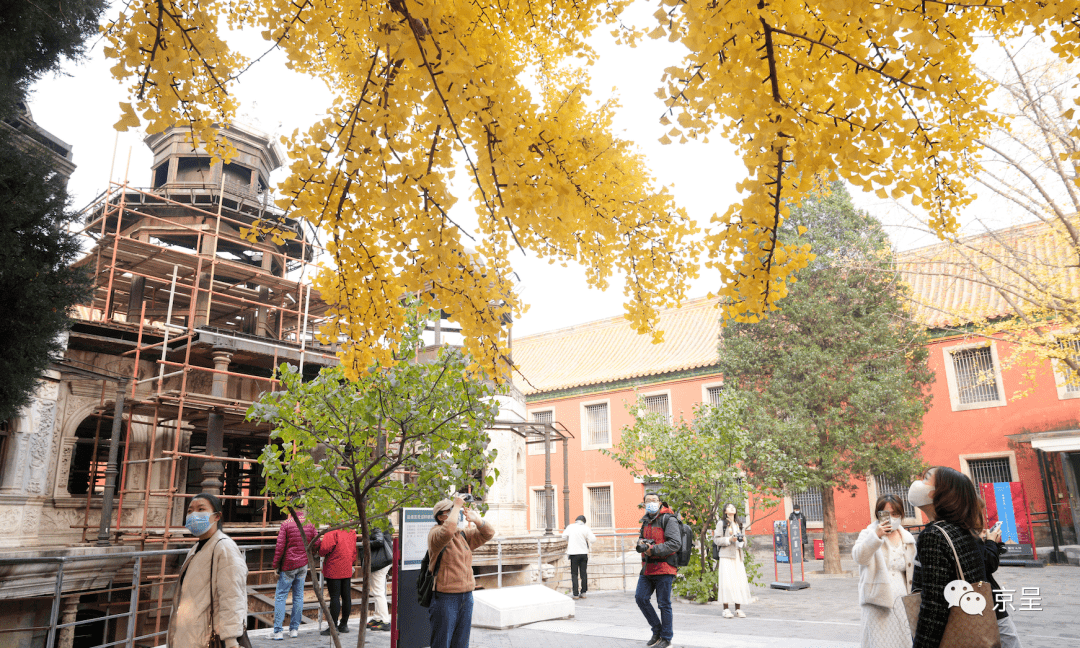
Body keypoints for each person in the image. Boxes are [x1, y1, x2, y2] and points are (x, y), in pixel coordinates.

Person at [910, 466, 987, 648]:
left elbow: (934, 605)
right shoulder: (963, 529)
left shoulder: (934, 535)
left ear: (939, 494)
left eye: (926, 479)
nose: (917, 483)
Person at [167, 493, 248, 648]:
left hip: (206, 639)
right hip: (189, 635)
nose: (193, 515)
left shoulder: (224, 547)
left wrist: (231, 641)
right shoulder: (196, 548)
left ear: (217, 516)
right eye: (190, 511)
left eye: (201, 509)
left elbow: (232, 597)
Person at [427, 496, 495, 648]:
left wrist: (477, 520)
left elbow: (489, 533)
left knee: (461, 643)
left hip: (466, 597)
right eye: (450, 511)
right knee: (441, 643)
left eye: (454, 510)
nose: (455, 513)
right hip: (445, 597)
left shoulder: (463, 534)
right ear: (440, 516)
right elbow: (447, 531)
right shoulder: (435, 534)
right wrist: (457, 505)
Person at [852, 494, 915, 648]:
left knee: (901, 641)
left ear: (901, 515)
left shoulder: (907, 538)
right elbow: (859, 557)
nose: (891, 518)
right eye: (886, 514)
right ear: (878, 514)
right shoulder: (868, 533)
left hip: (901, 599)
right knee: (879, 642)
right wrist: (876, 536)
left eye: (895, 514)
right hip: (876, 600)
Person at [634, 492, 682, 648]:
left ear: (660, 502)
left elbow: (675, 543)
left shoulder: (669, 519)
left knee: (663, 604)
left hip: (665, 567)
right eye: (648, 501)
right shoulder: (646, 521)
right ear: (644, 504)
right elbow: (642, 538)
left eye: (654, 500)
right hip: (648, 568)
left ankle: (666, 638)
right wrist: (642, 544)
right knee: (640, 598)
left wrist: (652, 549)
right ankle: (657, 630)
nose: (651, 503)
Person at [977, 500, 1024, 648]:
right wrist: (990, 542)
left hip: (983, 600)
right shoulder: (965, 533)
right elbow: (988, 564)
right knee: (1010, 640)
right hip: (986, 599)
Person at [272, 506, 317, 640]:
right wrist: (309, 554)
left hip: (288, 565)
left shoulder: (286, 524)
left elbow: (280, 547)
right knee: (298, 597)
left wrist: (276, 565)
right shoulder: (310, 523)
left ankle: (278, 631)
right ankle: (294, 630)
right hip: (303, 564)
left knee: (281, 596)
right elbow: (317, 542)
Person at [713, 503, 752, 619]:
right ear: (725, 511)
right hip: (726, 556)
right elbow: (716, 540)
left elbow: (744, 543)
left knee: (738, 582)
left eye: (733, 507)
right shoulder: (722, 523)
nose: (732, 508)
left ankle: (738, 609)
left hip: (738, 556)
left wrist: (743, 540)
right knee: (727, 582)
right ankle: (726, 609)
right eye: (729, 507)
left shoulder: (739, 524)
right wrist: (730, 539)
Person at [317, 525, 357, 635]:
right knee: (346, 596)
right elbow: (353, 550)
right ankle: (344, 624)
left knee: (334, 596)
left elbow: (324, 548)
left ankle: (333, 626)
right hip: (347, 565)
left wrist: (319, 552)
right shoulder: (351, 529)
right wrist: (351, 561)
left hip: (334, 566)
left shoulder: (332, 529)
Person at [366, 526, 394, 632]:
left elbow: (379, 540)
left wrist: (365, 543)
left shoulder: (375, 522)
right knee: (378, 591)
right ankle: (378, 617)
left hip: (379, 562)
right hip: (383, 561)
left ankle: (385, 620)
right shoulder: (382, 520)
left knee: (378, 592)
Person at [562, 514, 597, 599]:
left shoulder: (570, 527)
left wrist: (570, 540)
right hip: (583, 553)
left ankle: (575, 594)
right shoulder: (586, 528)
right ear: (584, 522)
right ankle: (583, 592)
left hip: (573, 553)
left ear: (576, 520)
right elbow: (593, 539)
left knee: (574, 574)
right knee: (583, 573)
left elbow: (563, 536)